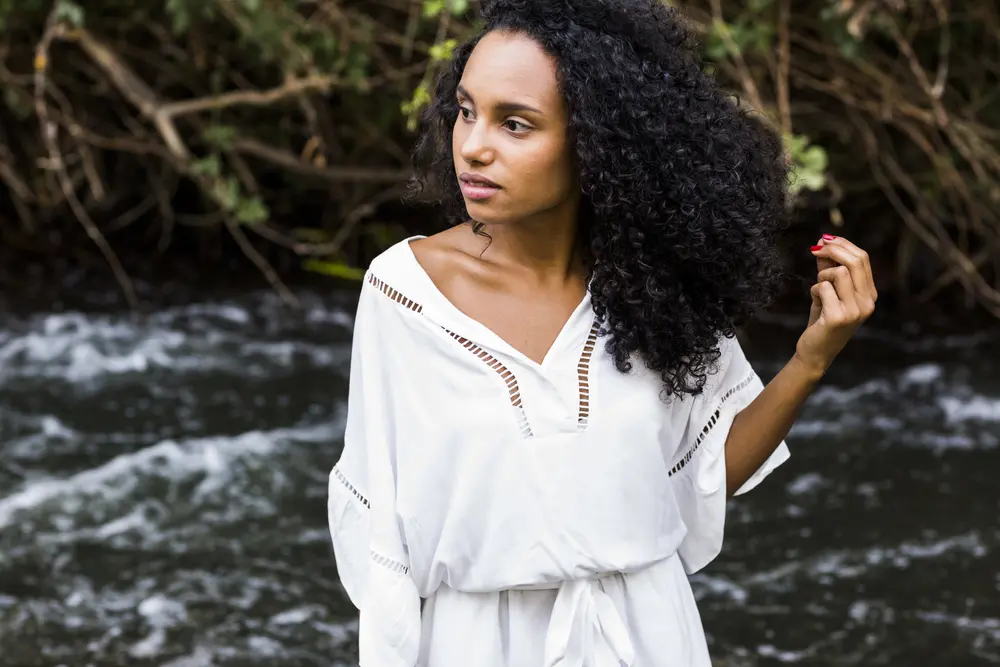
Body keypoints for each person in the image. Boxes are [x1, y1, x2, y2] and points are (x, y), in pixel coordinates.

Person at [326, 1, 877, 665]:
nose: (473, 144)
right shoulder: (404, 293)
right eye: (467, 110)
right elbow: (378, 540)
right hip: (474, 645)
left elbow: (697, 479)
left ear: (595, 141)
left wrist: (811, 360)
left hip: (647, 636)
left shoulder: (651, 286)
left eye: (516, 123)